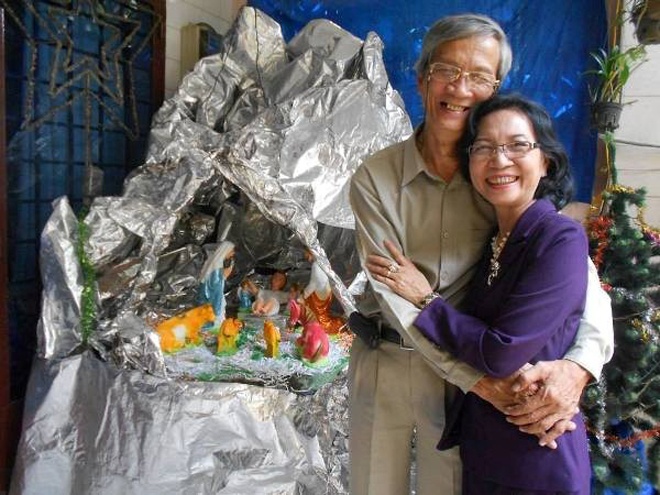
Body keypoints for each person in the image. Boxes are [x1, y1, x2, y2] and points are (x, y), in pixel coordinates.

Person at [348, 14, 613, 495]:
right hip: (393, 362)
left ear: (495, 90)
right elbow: (397, 298)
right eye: (447, 70)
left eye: (479, 76)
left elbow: (576, 276)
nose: (460, 87)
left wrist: (581, 365)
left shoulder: (500, 177)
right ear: (422, 78)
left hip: (465, 376)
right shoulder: (376, 178)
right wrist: (482, 382)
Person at [369, 94, 591, 493]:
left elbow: (500, 352)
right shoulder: (494, 239)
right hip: (484, 451)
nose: (499, 160)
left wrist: (426, 300)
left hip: (538, 458)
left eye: (517, 145)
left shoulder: (559, 238)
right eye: (484, 147)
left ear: (546, 161)